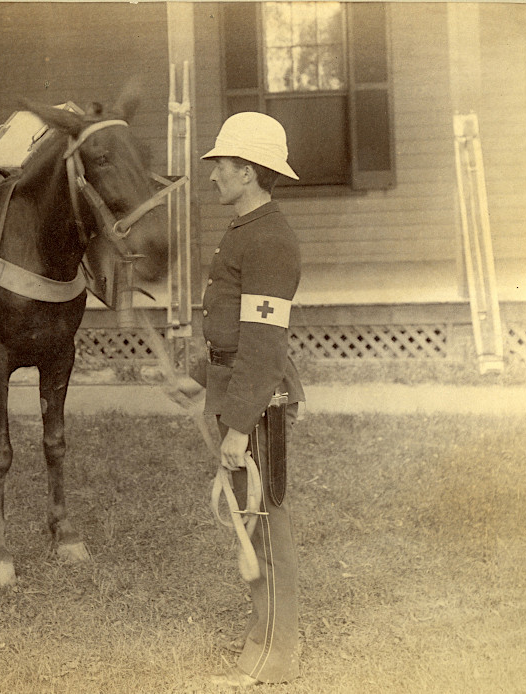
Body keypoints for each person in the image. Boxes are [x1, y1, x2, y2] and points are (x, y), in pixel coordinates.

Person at [195, 112, 306, 687]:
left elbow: (263, 347)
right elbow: (233, 329)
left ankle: (277, 654)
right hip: (236, 391)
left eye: (222, 166)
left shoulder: (268, 239)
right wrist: (199, 375)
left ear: (249, 172)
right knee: (249, 522)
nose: (212, 175)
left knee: (266, 523)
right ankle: (261, 635)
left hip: (257, 402)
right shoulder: (245, 229)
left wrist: (239, 424)